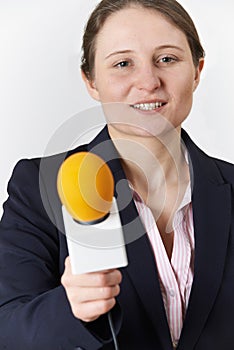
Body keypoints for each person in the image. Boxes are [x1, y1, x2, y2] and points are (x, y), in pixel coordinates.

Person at [0, 0, 233, 349]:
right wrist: (71, 309)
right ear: (91, 82)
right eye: (123, 64)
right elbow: (8, 329)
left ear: (197, 70)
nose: (148, 82)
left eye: (167, 59)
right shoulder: (40, 187)